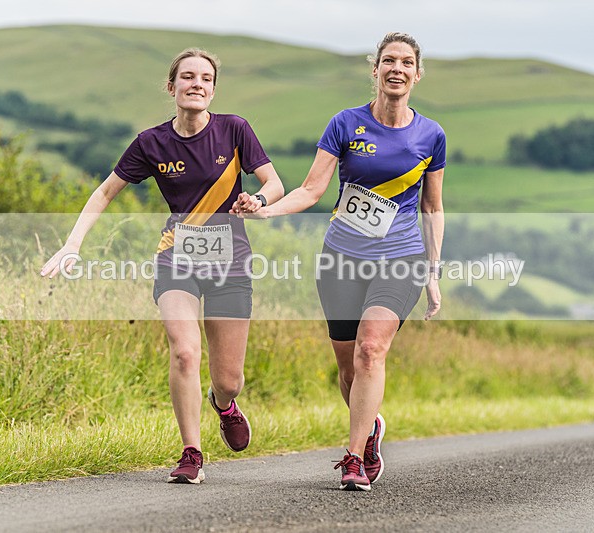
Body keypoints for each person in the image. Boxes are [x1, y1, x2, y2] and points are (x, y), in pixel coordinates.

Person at [41, 48, 284, 484]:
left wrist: (259, 200)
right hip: (178, 258)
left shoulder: (234, 130)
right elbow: (104, 193)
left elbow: (274, 182)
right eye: (187, 77)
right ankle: (191, 452)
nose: (197, 84)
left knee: (229, 379)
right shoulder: (151, 142)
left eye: (205, 78)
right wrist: (72, 244)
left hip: (231, 263)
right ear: (172, 87)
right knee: (185, 350)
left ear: (213, 89)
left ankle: (223, 404)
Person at [232, 32, 445, 491]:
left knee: (372, 349)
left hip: (400, 256)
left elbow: (431, 207)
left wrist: (432, 271)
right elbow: (312, 190)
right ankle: (369, 431)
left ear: (417, 73)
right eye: (389, 61)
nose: (397, 69)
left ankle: (352, 458)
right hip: (342, 258)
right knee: (348, 369)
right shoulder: (345, 124)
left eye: (406, 62)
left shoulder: (431, 135)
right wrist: (266, 209)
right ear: (375, 69)